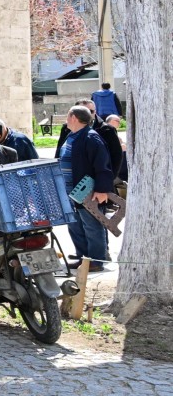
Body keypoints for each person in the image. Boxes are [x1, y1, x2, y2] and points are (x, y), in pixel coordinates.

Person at [60, 106, 114, 272]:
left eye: (67, 116)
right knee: (75, 225)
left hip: (86, 190)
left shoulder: (91, 137)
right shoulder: (73, 136)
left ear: (74, 117)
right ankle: (83, 258)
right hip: (71, 192)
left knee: (92, 226)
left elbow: (103, 165)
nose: (66, 120)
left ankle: (96, 261)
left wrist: (102, 190)